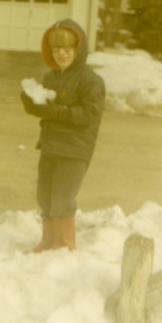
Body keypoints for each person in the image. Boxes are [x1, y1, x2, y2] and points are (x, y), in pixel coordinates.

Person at [20, 20, 105, 252]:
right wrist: (34, 104)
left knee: (62, 198)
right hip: (50, 146)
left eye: (68, 48)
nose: (62, 53)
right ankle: (48, 241)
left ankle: (65, 245)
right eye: (57, 48)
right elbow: (48, 111)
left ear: (78, 50)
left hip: (74, 149)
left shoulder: (91, 80)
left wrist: (57, 111)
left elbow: (90, 114)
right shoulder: (51, 78)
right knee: (45, 196)